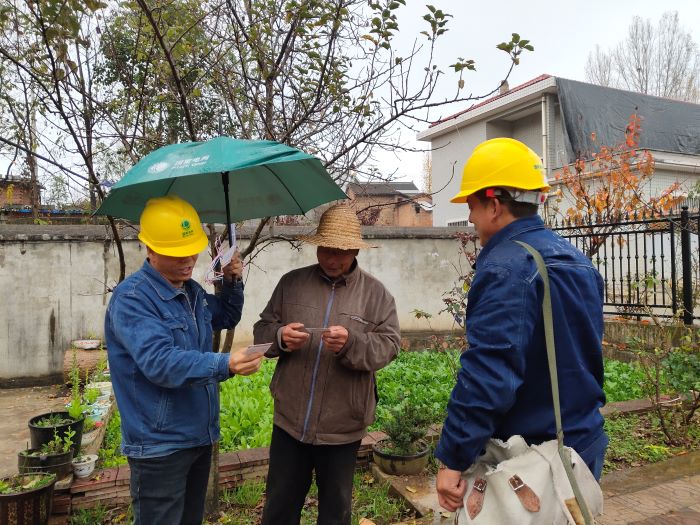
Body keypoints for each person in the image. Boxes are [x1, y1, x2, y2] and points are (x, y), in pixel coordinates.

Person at [435, 138, 608, 513]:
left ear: (494, 205)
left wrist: (453, 458)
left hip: (529, 461)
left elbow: (489, 374)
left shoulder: (505, 268)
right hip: (581, 449)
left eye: (471, 207)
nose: (470, 219)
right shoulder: (578, 261)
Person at [105, 195, 263, 525]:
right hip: (159, 445)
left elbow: (226, 316)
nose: (188, 259)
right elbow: (161, 362)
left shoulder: (190, 292)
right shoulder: (133, 299)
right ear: (149, 249)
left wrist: (230, 278)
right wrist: (225, 363)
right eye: (176, 253)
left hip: (198, 435)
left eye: (191, 249)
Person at [253, 202, 401, 525]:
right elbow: (261, 331)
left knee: (335, 512)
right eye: (327, 250)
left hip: (342, 427)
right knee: (279, 507)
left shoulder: (377, 296)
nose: (333, 259)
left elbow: (389, 346)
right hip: (289, 422)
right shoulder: (291, 284)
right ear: (318, 246)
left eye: (342, 251)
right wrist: (279, 337)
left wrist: (352, 342)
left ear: (355, 250)